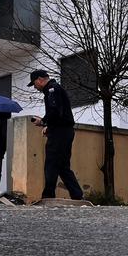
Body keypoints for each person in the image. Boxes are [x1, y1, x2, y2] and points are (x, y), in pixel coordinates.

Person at [29, 69, 83, 200]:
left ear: (40, 79)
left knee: (51, 164)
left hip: (60, 133)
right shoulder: (55, 89)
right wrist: (48, 126)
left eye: (34, 83)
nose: (35, 87)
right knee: (63, 166)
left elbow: (54, 110)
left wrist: (43, 121)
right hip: (64, 131)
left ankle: (48, 196)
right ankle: (77, 195)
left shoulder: (51, 89)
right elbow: (59, 113)